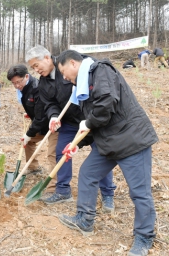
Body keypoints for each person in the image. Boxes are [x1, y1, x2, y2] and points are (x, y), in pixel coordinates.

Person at [56, 50, 158, 256]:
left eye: (64, 72)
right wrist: (78, 144)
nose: (64, 78)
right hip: (109, 142)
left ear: (73, 63)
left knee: (139, 192)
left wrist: (89, 123)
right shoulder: (82, 86)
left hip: (132, 140)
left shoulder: (100, 70)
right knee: (87, 173)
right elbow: (92, 123)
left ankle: (144, 236)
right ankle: (85, 219)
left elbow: (106, 104)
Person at [25, 45, 116, 211]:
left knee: (102, 153)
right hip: (68, 121)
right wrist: (53, 116)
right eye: (33, 68)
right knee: (62, 152)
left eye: (36, 65)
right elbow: (49, 103)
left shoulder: (69, 64)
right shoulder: (43, 82)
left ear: (46, 57)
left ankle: (108, 193)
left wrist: (92, 119)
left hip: (90, 119)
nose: (36, 70)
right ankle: (63, 191)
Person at [6, 64, 54, 189]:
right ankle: (33, 168)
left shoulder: (37, 88)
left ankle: (56, 186)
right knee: (27, 142)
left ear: (27, 76)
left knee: (53, 154)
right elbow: (35, 110)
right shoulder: (24, 88)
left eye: (19, 82)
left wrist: (29, 133)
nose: (17, 86)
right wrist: (30, 113)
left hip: (53, 125)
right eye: (14, 83)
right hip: (40, 124)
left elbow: (41, 116)